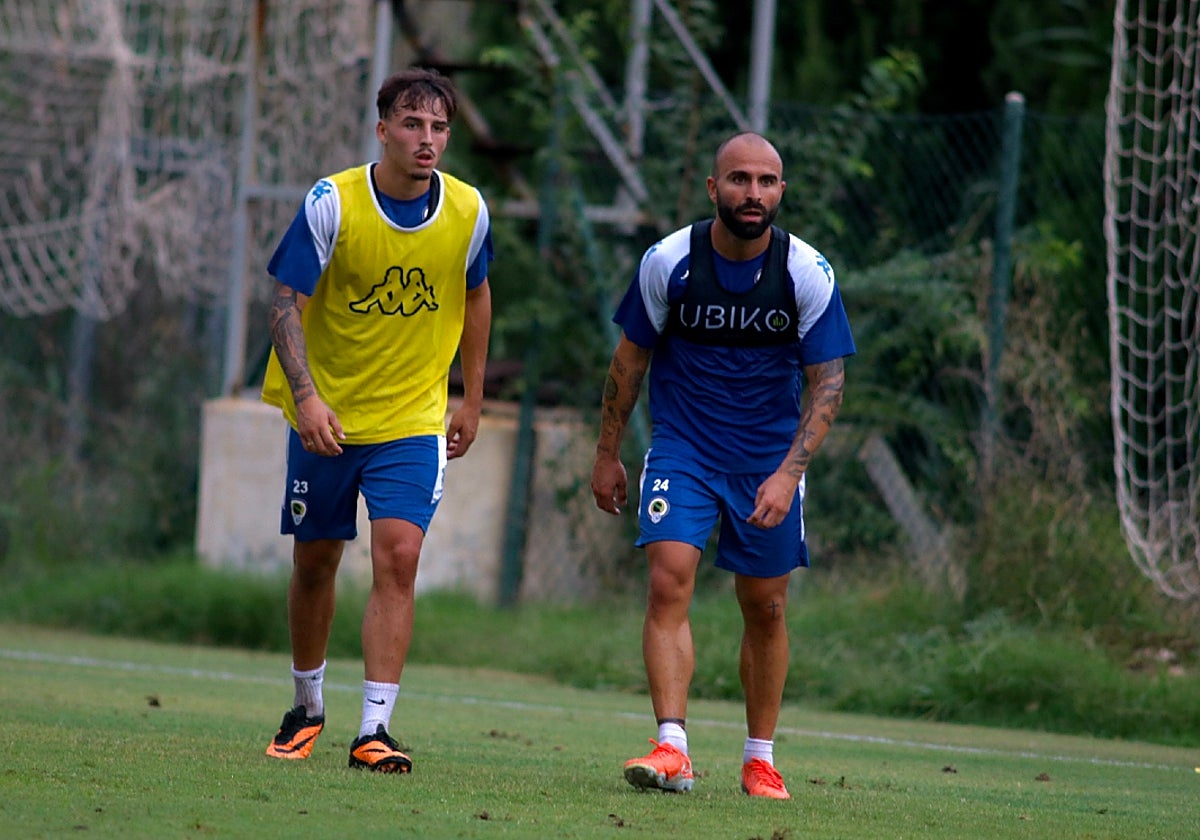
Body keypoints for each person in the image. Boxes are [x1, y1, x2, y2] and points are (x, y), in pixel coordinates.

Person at [590, 132, 854, 799]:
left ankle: (759, 759)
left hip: (768, 462)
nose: (753, 193)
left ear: (782, 192)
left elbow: (828, 385)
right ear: (714, 189)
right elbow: (629, 362)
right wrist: (607, 454)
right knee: (668, 579)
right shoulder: (669, 262)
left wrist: (789, 473)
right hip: (684, 449)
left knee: (764, 607)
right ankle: (671, 746)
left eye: (767, 182)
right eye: (739, 180)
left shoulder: (806, 274)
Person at [260, 67, 493, 773]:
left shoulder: (469, 210)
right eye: (413, 124)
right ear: (383, 128)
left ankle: (375, 729)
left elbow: (477, 298)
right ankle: (306, 705)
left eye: (439, 127)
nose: (427, 140)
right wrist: (306, 398)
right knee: (316, 560)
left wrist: (471, 397)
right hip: (325, 417)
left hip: (411, 419)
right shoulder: (333, 202)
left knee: (399, 556)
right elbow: (283, 303)